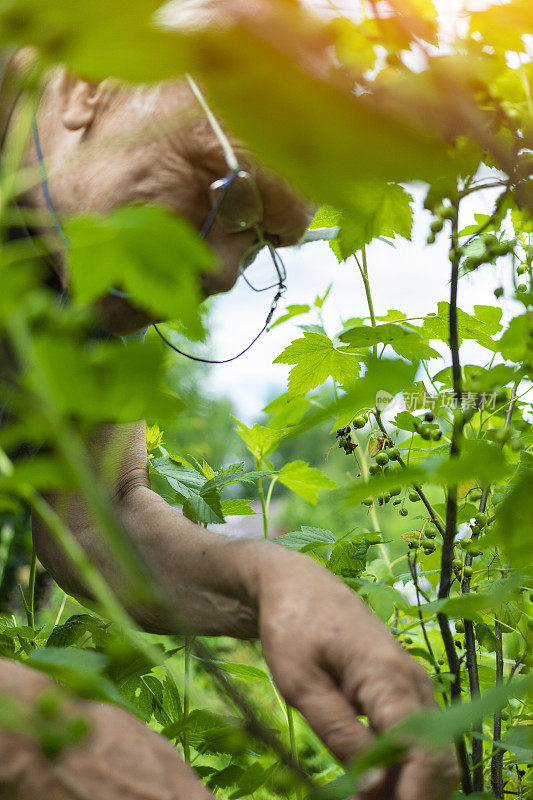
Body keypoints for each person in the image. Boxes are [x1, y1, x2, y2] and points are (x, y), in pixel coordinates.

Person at [0, 3, 459, 799]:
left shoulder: (74, 236)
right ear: (90, 88)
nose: (217, 273)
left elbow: (96, 511)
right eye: (225, 191)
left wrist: (271, 581)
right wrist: (29, 734)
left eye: (262, 242)